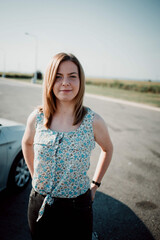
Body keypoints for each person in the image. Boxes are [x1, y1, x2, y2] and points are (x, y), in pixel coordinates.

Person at [22, 52, 113, 240]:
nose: (65, 82)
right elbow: (27, 142)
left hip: (78, 207)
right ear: (49, 81)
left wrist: (95, 185)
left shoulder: (93, 121)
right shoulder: (37, 118)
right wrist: (34, 174)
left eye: (72, 76)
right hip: (38, 202)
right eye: (58, 76)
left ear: (80, 81)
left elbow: (108, 149)